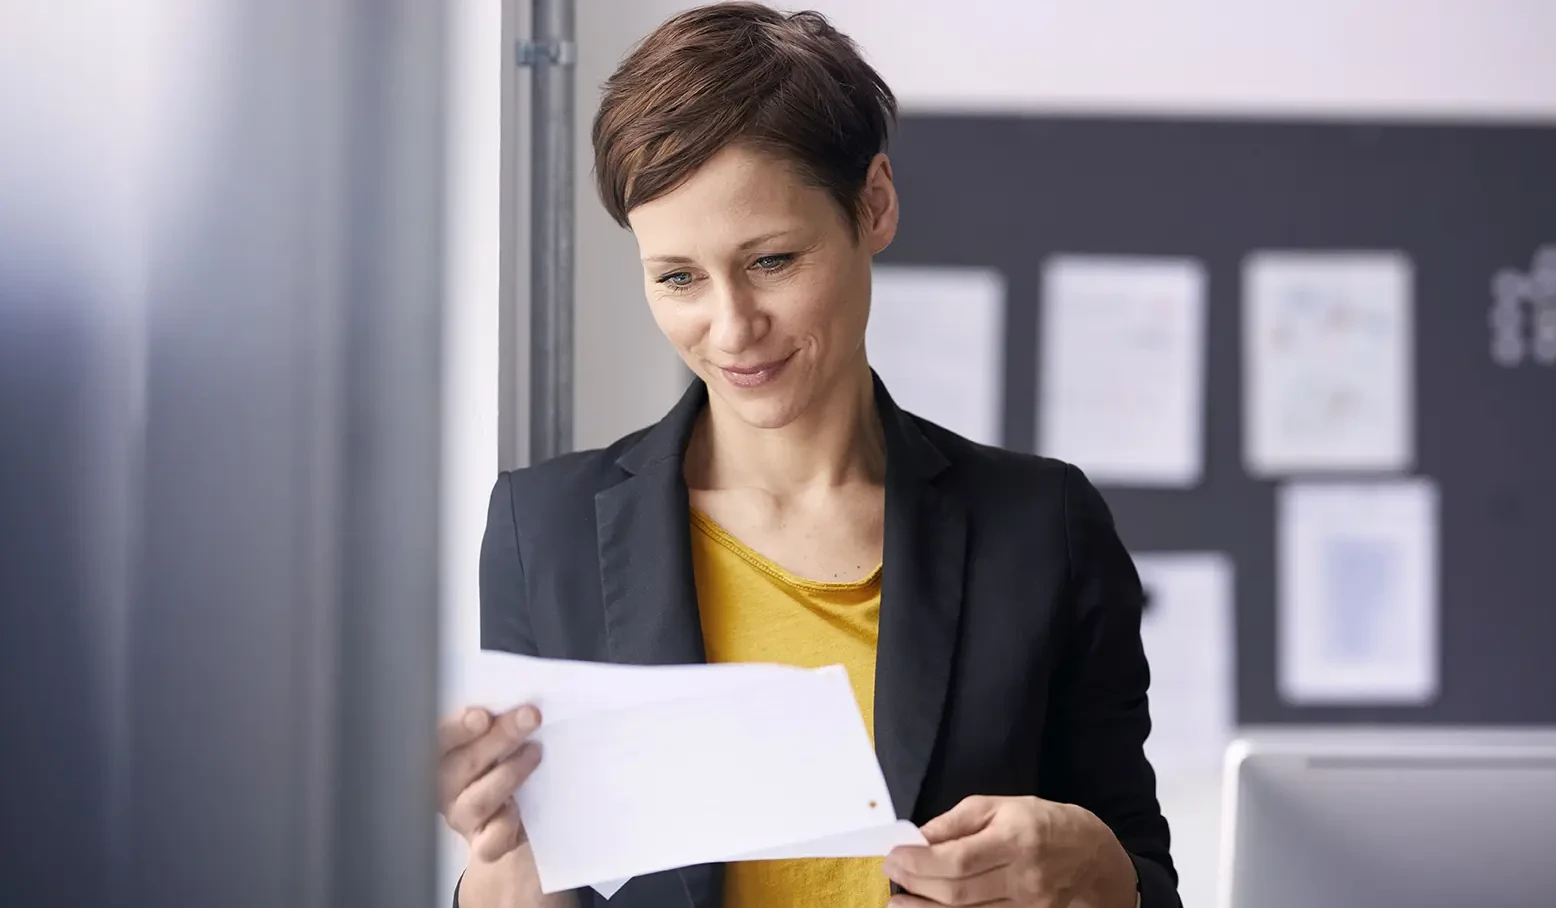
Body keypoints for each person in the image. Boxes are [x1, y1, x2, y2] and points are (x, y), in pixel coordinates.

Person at [438, 4, 1179, 907]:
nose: (732, 328)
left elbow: (1140, 879)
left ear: (873, 204)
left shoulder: (1042, 527)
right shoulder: (538, 530)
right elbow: (527, 882)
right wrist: (498, 873)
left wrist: (1101, 875)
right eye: (677, 278)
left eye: (773, 261)